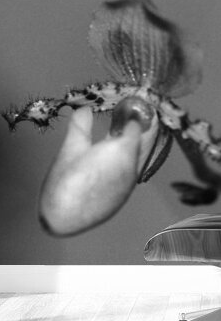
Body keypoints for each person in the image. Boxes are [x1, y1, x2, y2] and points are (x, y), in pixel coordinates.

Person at [38, 97, 160, 236]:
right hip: (136, 129)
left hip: (133, 127)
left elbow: (80, 111)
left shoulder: (94, 98)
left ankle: (125, 135)